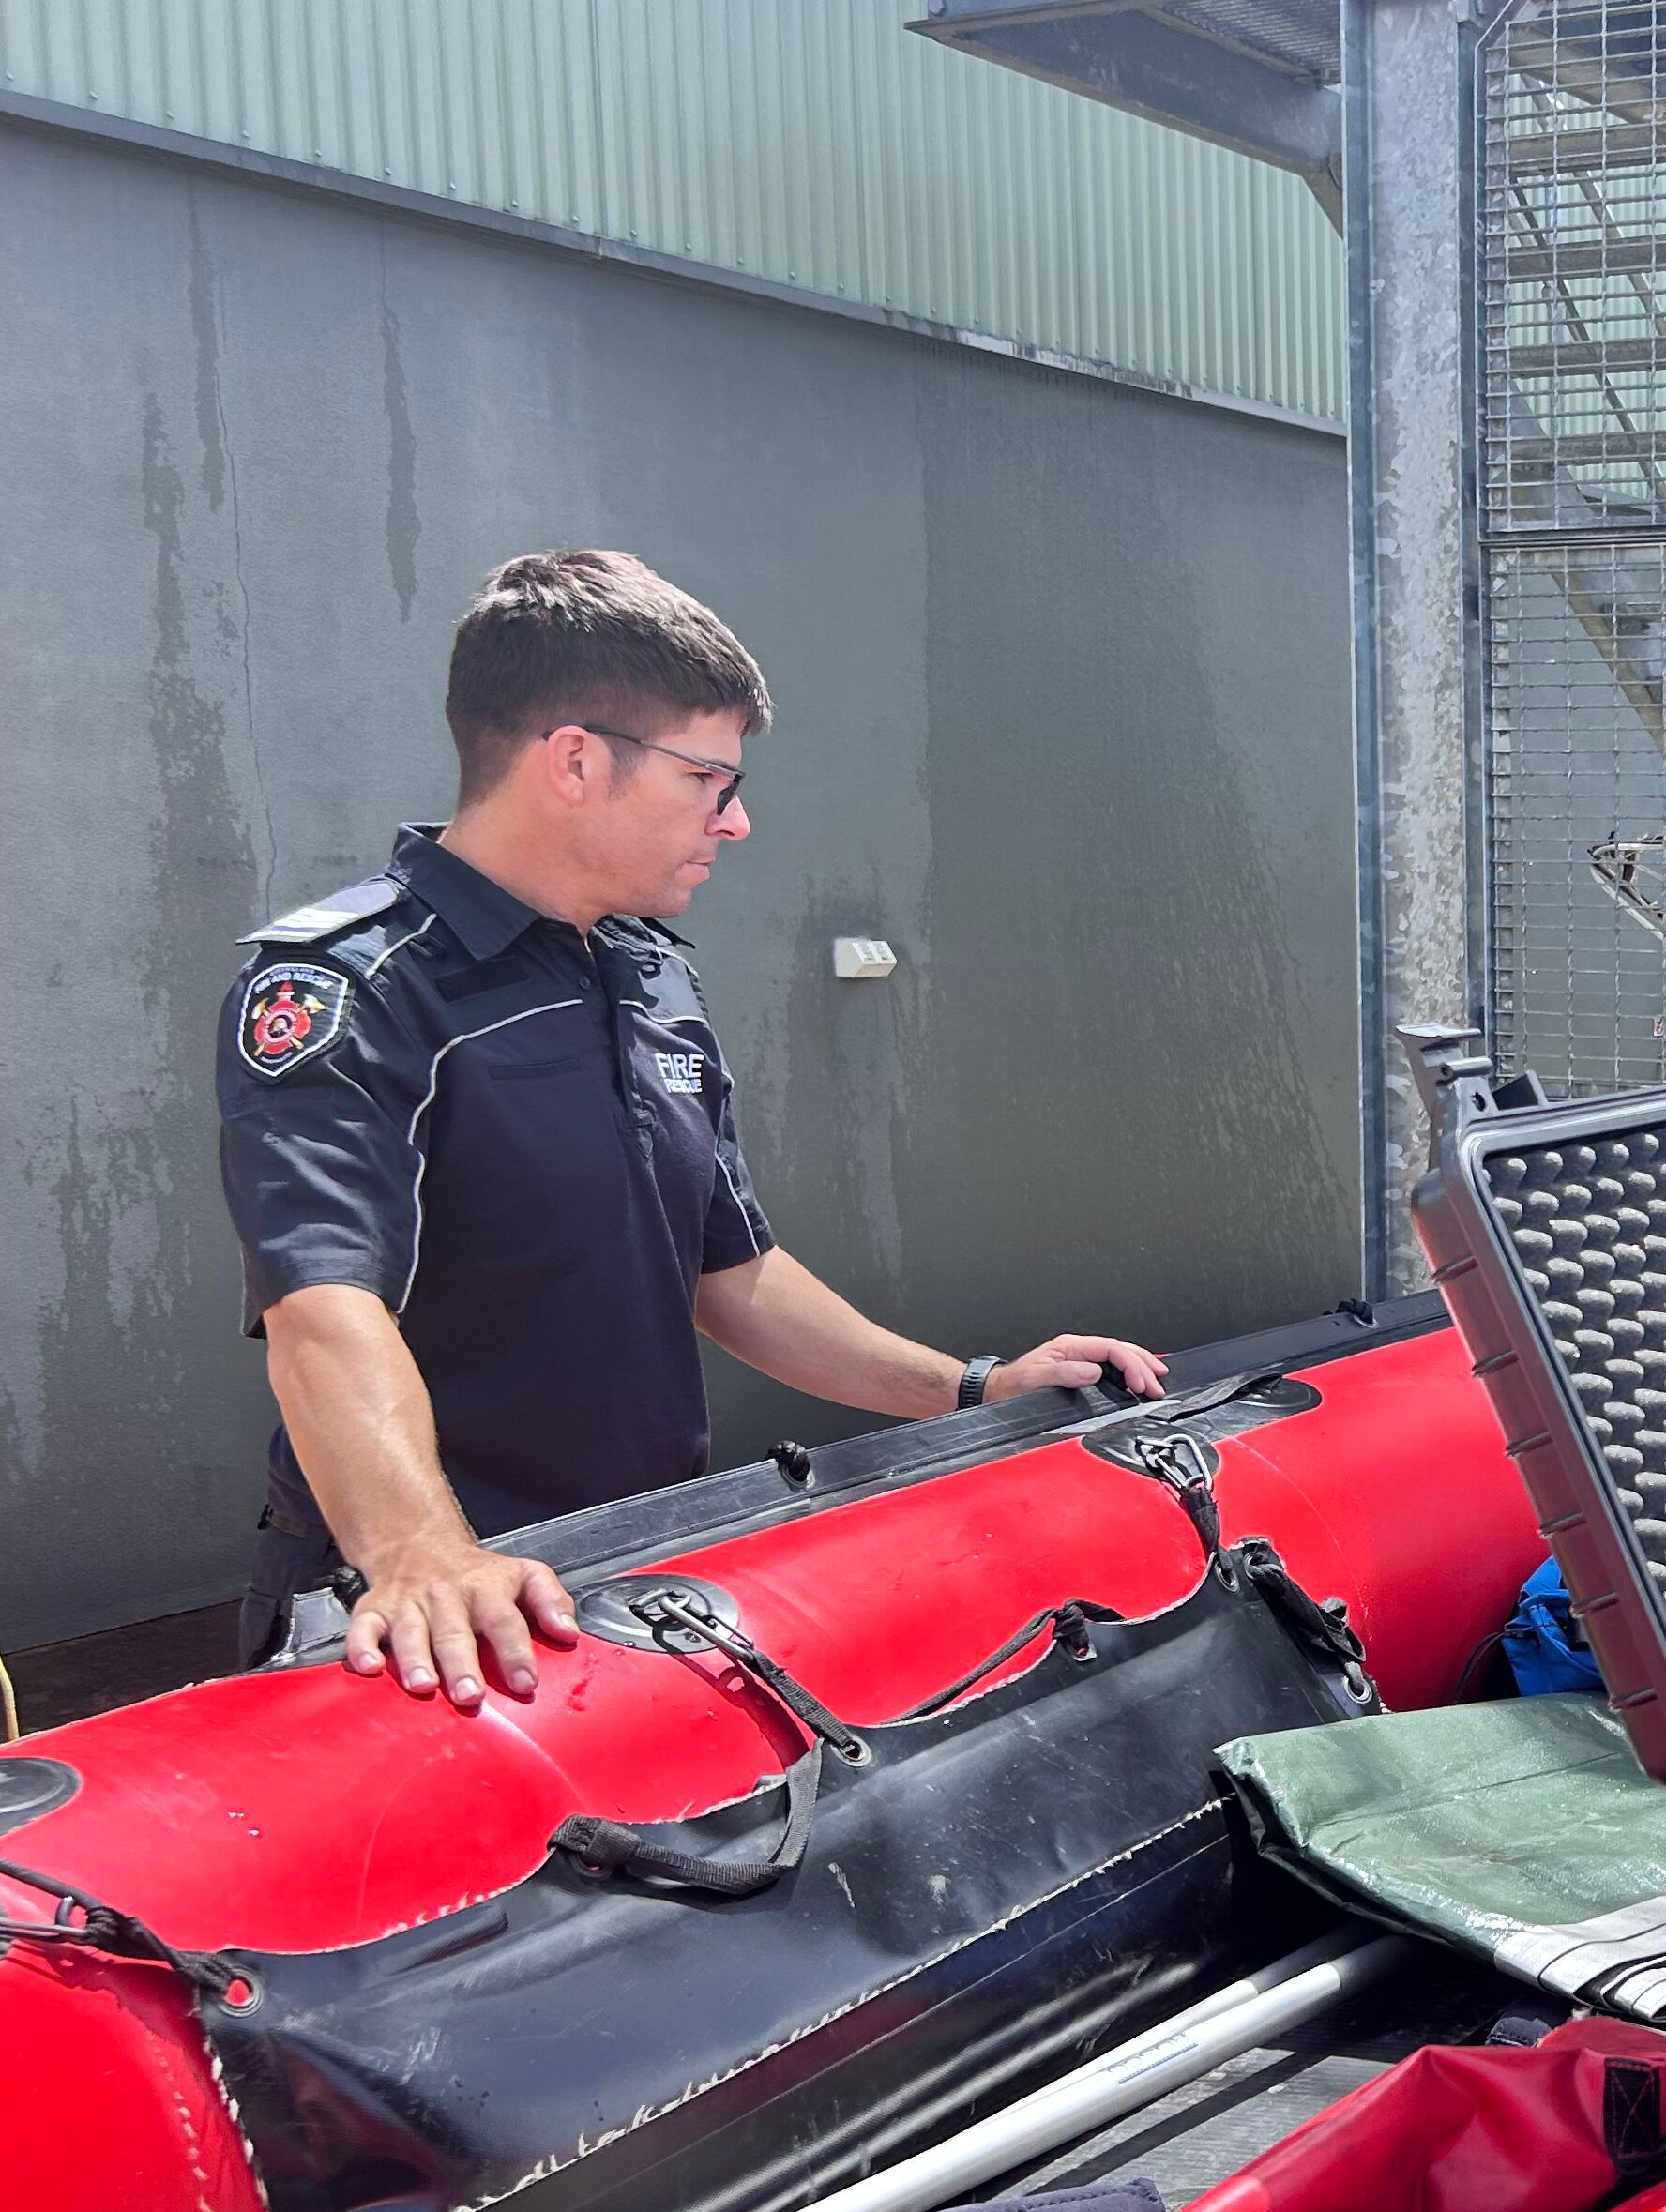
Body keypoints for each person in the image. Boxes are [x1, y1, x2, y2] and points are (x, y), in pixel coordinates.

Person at [220, 551, 1171, 1704]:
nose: (737, 820)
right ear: (575, 761)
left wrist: (975, 1391)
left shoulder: (649, 974)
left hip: (637, 1564)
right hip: (423, 1609)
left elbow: (731, 1274)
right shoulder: (352, 989)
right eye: (708, 780)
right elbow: (320, 1308)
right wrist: (422, 1552)